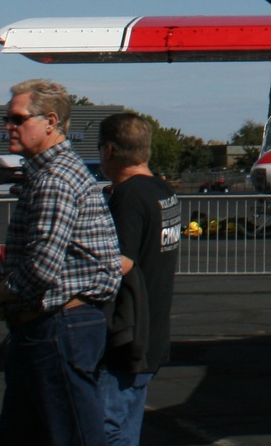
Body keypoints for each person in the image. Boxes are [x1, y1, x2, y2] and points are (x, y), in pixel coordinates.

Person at [0, 79, 124, 446]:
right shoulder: (51, 173)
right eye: (5, 119)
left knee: (74, 435)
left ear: (51, 121)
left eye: (16, 118)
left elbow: (42, 268)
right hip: (50, 328)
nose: (8, 127)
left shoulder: (55, 179)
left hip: (58, 328)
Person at [97, 112, 181, 446]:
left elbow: (122, 262)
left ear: (108, 151)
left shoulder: (129, 195)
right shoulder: (161, 189)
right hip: (152, 328)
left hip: (128, 330)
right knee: (126, 422)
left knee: (106, 425)